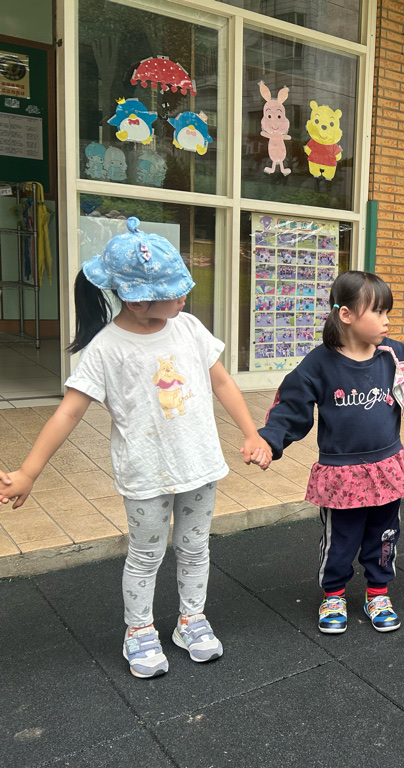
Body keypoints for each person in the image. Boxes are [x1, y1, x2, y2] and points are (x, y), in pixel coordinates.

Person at [0, 217, 272, 679]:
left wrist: (251, 432)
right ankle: (139, 629)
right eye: (176, 292)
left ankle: (191, 619)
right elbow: (68, 412)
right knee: (146, 554)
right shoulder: (107, 348)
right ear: (137, 299)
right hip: (146, 472)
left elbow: (222, 381)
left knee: (194, 547)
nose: (185, 297)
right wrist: (28, 471)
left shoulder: (188, 327)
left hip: (200, 464)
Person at [258, 270, 404, 635]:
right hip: (342, 474)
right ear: (346, 315)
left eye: (387, 312)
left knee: (384, 535)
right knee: (341, 539)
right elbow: (290, 404)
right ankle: (333, 595)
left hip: (387, 467)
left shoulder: (395, 354)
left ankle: (378, 594)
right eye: (378, 311)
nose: (386, 320)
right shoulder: (319, 364)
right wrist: (269, 441)